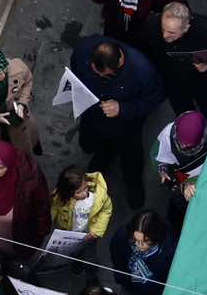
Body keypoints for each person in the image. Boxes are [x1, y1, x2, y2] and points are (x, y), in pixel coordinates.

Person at [69, 37, 166, 209]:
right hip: (94, 116)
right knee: (96, 145)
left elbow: (154, 99)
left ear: (119, 62)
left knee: (131, 156)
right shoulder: (83, 49)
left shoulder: (143, 72)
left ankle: (133, 184)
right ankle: (101, 158)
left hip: (126, 125)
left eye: (103, 74)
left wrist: (123, 109)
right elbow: (75, 72)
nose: (98, 76)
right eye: (94, 71)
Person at [137, 3, 207, 122]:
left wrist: (206, 68)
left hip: (202, 83)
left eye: (171, 32)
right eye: (163, 28)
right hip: (174, 85)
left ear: (186, 28)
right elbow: (147, 51)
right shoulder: (152, 24)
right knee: (185, 120)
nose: (165, 36)